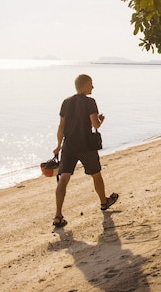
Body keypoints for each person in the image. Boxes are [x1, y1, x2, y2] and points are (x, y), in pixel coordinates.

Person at [52, 74, 118, 227]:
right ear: (83, 85)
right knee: (96, 174)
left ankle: (58, 215)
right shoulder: (90, 102)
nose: (93, 87)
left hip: (69, 145)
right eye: (91, 84)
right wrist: (101, 120)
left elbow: (61, 127)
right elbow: (95, 125)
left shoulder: (66, 102)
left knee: (63, 179)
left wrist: (58, 145)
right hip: (86, 145)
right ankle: (104, 202)